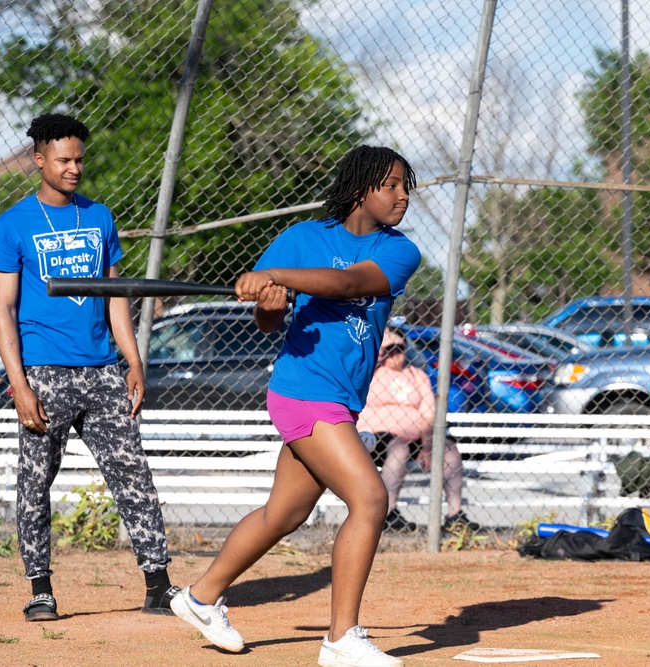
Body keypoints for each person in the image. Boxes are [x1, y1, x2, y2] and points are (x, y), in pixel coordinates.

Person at [169, 145, 421, 667]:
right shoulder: (301, 239)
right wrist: (268, 301)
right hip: (303, 391)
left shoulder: (399, 251)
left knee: (285, 513)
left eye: (405, 186)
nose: (403, 196)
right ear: (360, 189)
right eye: (392, 185)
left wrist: (281, 278)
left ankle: (199, 597)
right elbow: (268, 322)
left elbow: (351, 283)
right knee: (370, 499)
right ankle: (341, 639)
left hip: (341, 399)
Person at [0, 113, 179, 621]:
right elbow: (2, 310)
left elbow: (116, 297)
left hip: (102, 370)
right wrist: (19, 383)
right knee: (35, 481)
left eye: (79, 159)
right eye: (64, 159)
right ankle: (41, 589)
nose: (74, 168)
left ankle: (158, 584)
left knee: (133, 473)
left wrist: (133, 360)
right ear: (40, 159)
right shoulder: (11, 225)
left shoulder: (99, 217)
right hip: (45, 371)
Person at [356, 326, 480, 534]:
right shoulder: (368, 372)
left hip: (413, 437)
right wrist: (380, 351)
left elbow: (428, 414)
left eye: (400, 348)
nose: (396, 353)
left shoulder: (416, 375)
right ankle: (388, 513)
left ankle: (454, 514)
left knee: (449, 449)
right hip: (373, 437)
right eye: (390, 348)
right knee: (399, 448)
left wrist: (428, 445)